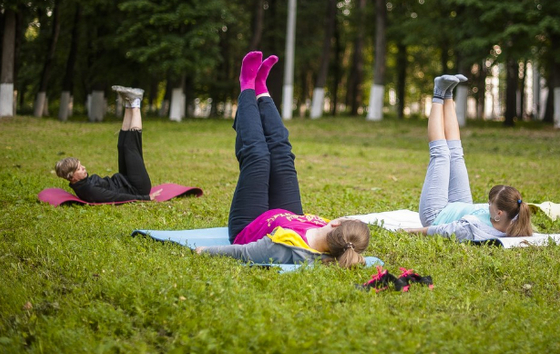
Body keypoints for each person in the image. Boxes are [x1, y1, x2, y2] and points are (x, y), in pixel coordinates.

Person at [196, 51, 370, 268]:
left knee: (258, 156)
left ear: (336, 224)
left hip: (249, 225)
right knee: (283, 154)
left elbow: (243, 252)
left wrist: (204, 251)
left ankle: (247, 85)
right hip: (287, 217)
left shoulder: (285, 247)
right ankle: (262, 90)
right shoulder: (334, 236)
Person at [404, 75, 534, 240]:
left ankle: (438, 93)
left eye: (490, 204)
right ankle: (448, 93)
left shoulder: (471, 228)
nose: (487, 206)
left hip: (436, 215)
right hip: (462, 207)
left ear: (499, 213)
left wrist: (411, 231)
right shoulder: (513, 216)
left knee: (441, 154)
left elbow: (443, 230)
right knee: (456, 153)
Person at [54, 86, 163, 202]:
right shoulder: (89, 191)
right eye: (79, 169)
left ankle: (128, 103)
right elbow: (115, 197)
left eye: (81, 165)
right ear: (72, 177)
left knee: (122, 145)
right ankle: (136, 102)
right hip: (136, 188)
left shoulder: (82, 183)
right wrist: (146, 197)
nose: (84, 167)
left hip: (124, 180)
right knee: (130, 146)